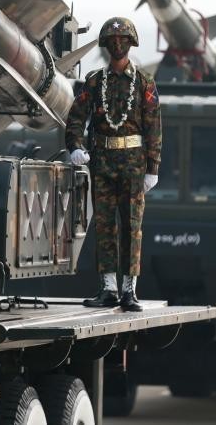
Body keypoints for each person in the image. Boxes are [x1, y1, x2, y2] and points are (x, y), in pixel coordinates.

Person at [66, 17, 161, 312]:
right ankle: (108, 288)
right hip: (102, 163)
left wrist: (153, 169)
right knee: (105, 226)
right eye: (112, 41)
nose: (117, 44)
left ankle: (129, 291)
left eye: (123, 40)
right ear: (106, 45)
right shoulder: (94, 81)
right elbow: (76, 118)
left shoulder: (144, 82)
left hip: (134, 165)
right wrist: (75, 147)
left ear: (131, 44)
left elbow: (154, 127)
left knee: (132, 227)